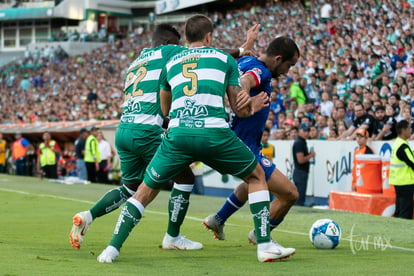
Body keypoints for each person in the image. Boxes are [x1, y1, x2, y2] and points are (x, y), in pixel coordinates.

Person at [97, 14, 283, 263]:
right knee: (256, 176)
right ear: (209, 37)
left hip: (178, 136)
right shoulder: (224, 59)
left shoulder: (172, 62)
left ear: (186, 39)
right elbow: (240, 110)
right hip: (215, 134)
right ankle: (264, 246)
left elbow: (164, 110)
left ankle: (111, 249)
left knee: (143, 191)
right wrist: (254, 106)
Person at [69, 22, 258, 251]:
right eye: (179, 44)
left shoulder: (135, 62)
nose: (183, 48)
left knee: (129, 186)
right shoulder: (169, 51)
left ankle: (88, 215)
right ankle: (173, 237)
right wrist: (242, 48)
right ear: (169, 43)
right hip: (147, 131)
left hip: (125, 129)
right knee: (185, 178)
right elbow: (204, 54)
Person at [202, 36, 299, 256]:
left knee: (253, 181)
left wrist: (246, 44)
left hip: (234, 140)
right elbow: (246, 81)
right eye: (288, 65)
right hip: (244, 146)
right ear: (278, 58)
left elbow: (233, 67)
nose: (287, 71)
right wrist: (246, 103)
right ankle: (261, 235)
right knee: (290, 194)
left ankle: (218, 219)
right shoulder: (262, 70)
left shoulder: (244, 60)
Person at [390, 120, 414, 220]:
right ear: (403, 130)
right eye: (409, 128)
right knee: (405, 211)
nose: (411, 130)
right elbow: (412, 163)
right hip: (405, 182)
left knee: (399, 209)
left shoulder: (397, 143)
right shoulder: (403, 146)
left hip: (398, 181)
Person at [292, 123, 315, 206]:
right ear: (299, 131)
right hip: (300, 172)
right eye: (304, 131)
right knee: (300, 197)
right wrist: (311, 155)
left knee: (300, 195)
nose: (306, 133)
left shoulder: (302, 142)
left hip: (300, 172)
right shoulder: (299, 143)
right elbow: (300, 160)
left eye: (308, 131)